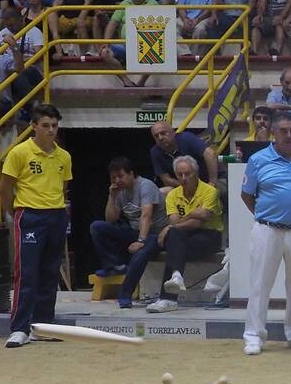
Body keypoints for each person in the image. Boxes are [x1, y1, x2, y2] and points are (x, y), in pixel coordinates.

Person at [240, 111, 291, 354]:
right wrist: (268, 216)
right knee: (260, 284)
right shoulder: (258, 160)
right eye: (283, 131)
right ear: (274, 132)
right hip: (267, 229)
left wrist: (290, 213)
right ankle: (253, 336)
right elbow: (247, 194)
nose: (288, 135)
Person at [1, 104, 70, 348]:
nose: (51, 130)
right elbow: (5, 188)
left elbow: (62, 187)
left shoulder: (64, 156)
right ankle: (19, 328)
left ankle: (43, 325)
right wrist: (16, 214)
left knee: (50, 272)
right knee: (27, 273)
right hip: (29, 216)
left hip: (57, 216)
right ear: (34, 126)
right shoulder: (19, 153)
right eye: (46, 126)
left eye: (54, 126)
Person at [145, 156, 223, 313]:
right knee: (175, 239)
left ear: (196, 173)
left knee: (174, 238)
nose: (184, 178)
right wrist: (193, 214)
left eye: (187, 174)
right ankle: (176, 276)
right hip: (183, 236)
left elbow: (197, 223)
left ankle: (167, 298)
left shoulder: (210, 191)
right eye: (179, 175)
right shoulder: (173, 195)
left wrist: (170, 227)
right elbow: (176, 221)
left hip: (209, 236)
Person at [89, 157, 168, 309]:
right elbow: (111, 219)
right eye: (113, 178)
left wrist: (141, 241)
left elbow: (147, 215)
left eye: (120, 176)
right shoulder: (119, 191)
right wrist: (111, 197)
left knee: (141, 254)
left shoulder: (146, 186)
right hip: (133, 230)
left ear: (132, 174)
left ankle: (125, 294)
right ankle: (114, 266)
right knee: (97, 227)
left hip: (155, 234)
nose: (117, 180)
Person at [149, 120, 217, 188]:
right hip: (183, 186)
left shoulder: (186, 138)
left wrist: (212, 182)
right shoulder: (155, 151)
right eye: (156, 136)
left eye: (163, 133)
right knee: (163, 192)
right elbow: (166, 180)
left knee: (219, 191)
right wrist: (190, 187)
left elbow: (210, 154)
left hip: (212, 180)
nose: (160, 138)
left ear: (173, 132)